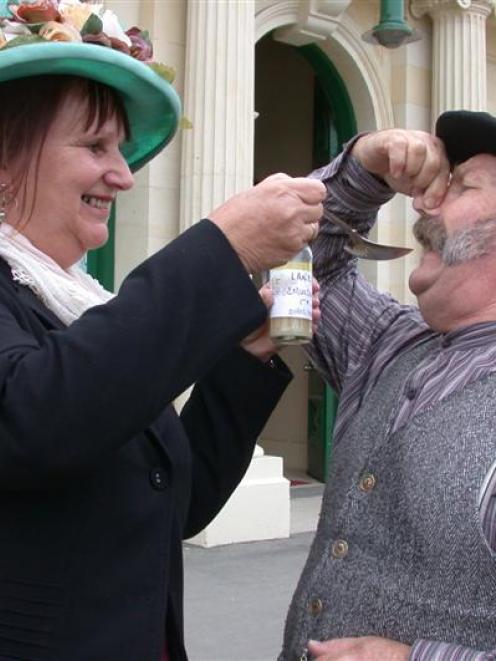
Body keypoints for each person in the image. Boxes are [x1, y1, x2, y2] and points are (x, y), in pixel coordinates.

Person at [0, 3, 325, 660]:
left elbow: (176, 500)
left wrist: (247, 354)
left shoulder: (79, 307)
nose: (123, 174)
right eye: (95, 146)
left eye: (121, 149)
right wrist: (224, 250)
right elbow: (35, 419)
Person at [279, 111, 496, 661]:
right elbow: (306, 263)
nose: (425, 203)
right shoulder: (389, 345)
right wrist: (364, 169)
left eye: (462, 185)